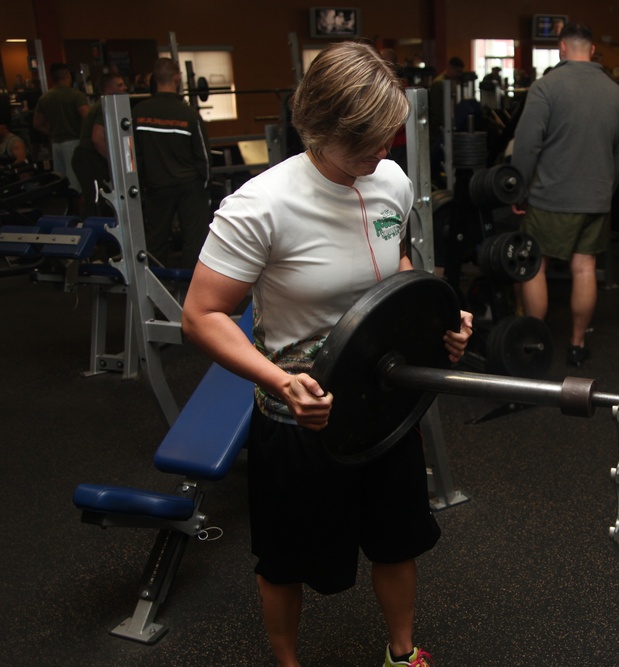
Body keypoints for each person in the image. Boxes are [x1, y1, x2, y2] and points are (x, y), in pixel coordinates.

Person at [180, 41, 473, 667]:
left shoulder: (388, 178)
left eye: (388, 138)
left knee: (398, 540)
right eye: (367, 143)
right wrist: (280, 383)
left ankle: (402, 651)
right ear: (317, 129)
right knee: (286, 559)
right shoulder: (260, 206)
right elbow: (202, 316)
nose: (384, 154)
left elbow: (395, 270)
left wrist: (438, 325)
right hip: (299, 413)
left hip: (381, 403)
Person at [511, 22, 619, 366]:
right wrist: (604, 188)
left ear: (562, 48)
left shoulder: (546, 87)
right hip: (595, 198)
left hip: (549, 197)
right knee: (584, 268)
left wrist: (519, 188)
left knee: (535, 266)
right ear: (592, 49)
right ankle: (577, 345)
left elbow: (526, 147)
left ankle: (535, 345)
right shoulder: (615, 92)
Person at [132, 57, 212, 268]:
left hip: (156, 185)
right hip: (189, 186)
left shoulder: (139, 113)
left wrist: (141, 185)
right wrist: (205, 185)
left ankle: (152, 288)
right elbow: (203, 156)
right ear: (177, 79)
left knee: (155, 240)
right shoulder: (189, 115)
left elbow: (134, 154)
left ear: (152, 79)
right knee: (194, 240)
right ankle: (191, 291)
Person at [71, 72, 128, 218]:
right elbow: (97, 138)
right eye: (120, 85)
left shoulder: (103, 105)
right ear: (108, 88)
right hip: (89, 158)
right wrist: (115, 163)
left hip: (87, 158)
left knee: (95, 198)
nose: (124, 88)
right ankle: (90, 236)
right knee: (96, 200)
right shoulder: (105, 106)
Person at [32, 63, 89, 196]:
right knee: (77, 185)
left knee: (62, 184)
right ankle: (82, 214)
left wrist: (52, 132)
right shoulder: (76, 95)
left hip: (56, 144)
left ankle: (68, 213)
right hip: (74, 143)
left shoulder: (45, 98)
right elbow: (87, 117)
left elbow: (37, 124)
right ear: (68, 76)